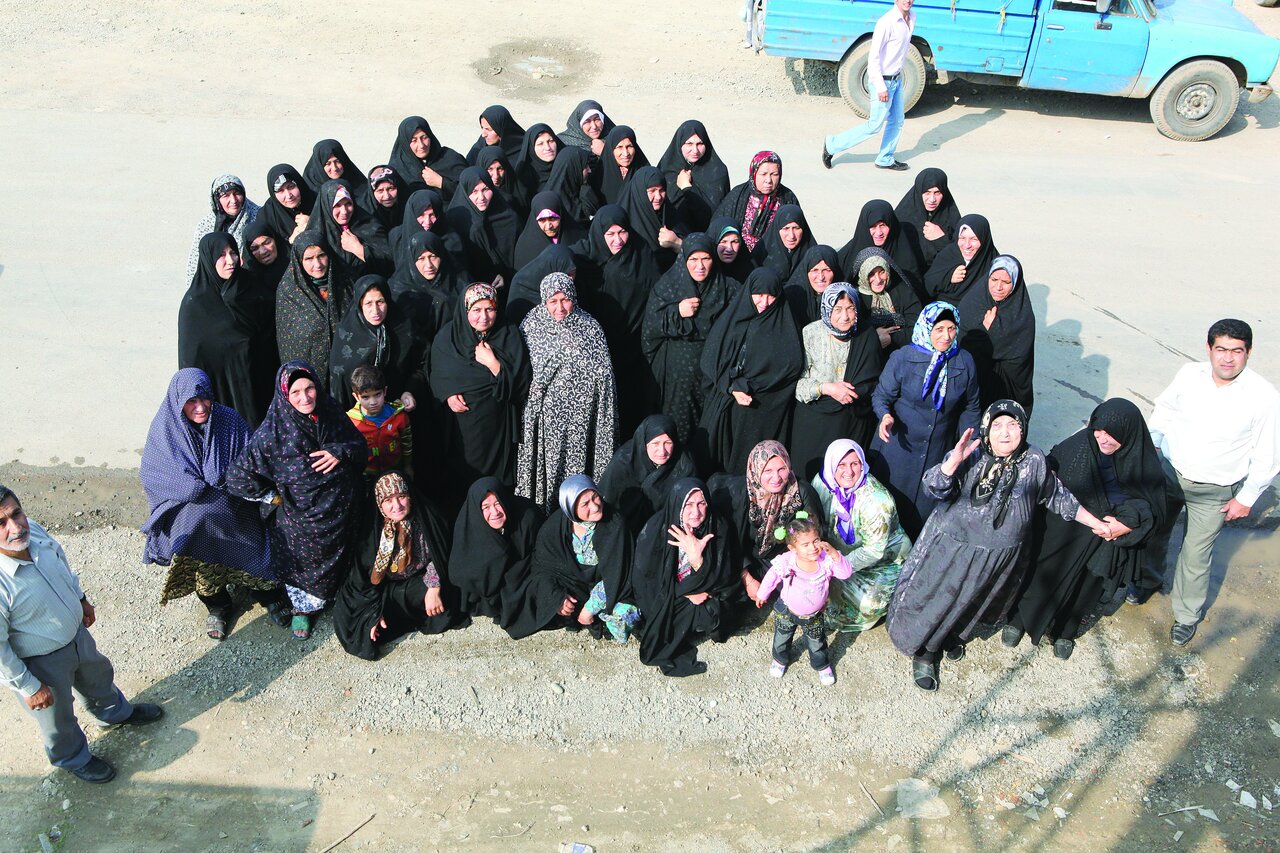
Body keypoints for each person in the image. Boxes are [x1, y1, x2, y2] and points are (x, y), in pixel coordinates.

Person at [886, 401, 1110, 691]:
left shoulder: (1034, 460)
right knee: (938, 599)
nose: (1005, 434)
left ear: (1023, 428)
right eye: (997, 426)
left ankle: (947, 636)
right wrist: (952, 463)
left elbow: (1059, 497)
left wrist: (1096, 523)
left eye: (1013, 425)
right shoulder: (971, 453)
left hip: (997, 557)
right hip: (953, 550)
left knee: (970, 602)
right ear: (987, 429)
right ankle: (925, 651)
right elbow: (934, 488)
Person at [2, 485, 165, 784]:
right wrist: (29, 686)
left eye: (16, 514)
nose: (15, 527)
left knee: (99, 678)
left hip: (75, 635)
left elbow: (61, 562)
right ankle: (72, 758)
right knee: (57, 717)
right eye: (1, 523)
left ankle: (115, 714)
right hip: (39, 662)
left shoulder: (33, 532)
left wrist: (80, 598)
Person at [1142, 319, 1280, 646]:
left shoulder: (1263, 396)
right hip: (1170, 473)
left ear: (1248, 353)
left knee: (1196, 554)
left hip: (1214, 492)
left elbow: (1268, 455)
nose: (1228, 358)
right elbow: (1165, 409)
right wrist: (1154, 445)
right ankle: (1147, 581)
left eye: (1237, 351)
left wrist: (1245, 498)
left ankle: (1187, 615)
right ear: (1209, 349)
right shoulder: (1190, 374)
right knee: (1155, 532)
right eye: (1221, 349)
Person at [1006, 399, 1166, 659]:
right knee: (1040, 572)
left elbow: (1152, 507)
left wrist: (1125, 525)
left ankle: (1065, 631)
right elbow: (1047, 470)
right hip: (1063, 531)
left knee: (1085, 588)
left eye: (1111, 433)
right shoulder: (1080, 445)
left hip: (1103, 542)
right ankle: (1020, 620)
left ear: (1128, 433)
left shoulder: (1142, 463)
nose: (1102, 438)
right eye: (1098, 430)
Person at [140, 369, 289, 642]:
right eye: (191, 402)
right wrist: (192, 488)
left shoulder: (228, 420)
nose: (200, 408)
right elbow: (154, 475)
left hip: (236, 510)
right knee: (204, 569)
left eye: (204, 399)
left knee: (257, 557)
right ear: (177, 402)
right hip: (195, 520)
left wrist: (240, 481)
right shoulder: (165, 430)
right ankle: (218, 606)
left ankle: (267, 595)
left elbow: (251, 460)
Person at [226, 361, 366, 640]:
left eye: (310, 388)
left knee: (348, 559)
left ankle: (339, 593)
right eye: (296, 392)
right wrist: (273, 497)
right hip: (303, 519)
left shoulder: (331, 412)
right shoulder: (272, 435)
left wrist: (339, 451)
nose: (305, 397)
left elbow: (359, 447)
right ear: (284, 396)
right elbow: (237, 477)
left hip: (344, 512)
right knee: (306, 563)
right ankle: (303, 609)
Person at [870, 301, 981, 537]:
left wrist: (969, 443)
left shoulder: (964, 361)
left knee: (921, 516)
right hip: (898, 450)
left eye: (951, 329)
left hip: (936, 453)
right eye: (939, 329)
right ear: (926, 327)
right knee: (886, 513)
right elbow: (881, 395)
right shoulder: (903, 358)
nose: (946, 336)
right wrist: (885, 416)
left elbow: (971, 406)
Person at [333, 472, 467, 660]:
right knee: (351, 616)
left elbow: (443, 555)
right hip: (385, 588)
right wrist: (372, 612)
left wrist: (434, 587)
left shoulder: (427, 518)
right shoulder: (373, 529)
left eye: (402, 497)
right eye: (388, 500)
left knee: (448, 596)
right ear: (380, 503)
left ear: (410, 496)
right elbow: (362, 578)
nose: (397, 506)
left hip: (419, 582)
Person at [516, 272, 618, 511]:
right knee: (551, 468)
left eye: (565, 300)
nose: (560, 307)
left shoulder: (589, 326)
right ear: (544, 301)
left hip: (582, 419)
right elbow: (521, 370)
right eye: (553, 301)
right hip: (547, 419)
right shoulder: (532, 325)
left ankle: (580, 510)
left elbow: (605, 374)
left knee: (578, 468)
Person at [696, 267, 804, 475]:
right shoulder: (733, 320)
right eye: (759, 295)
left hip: (763, 412)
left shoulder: (784, 326)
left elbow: (790, 366)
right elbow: (711, 359)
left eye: (770, 295)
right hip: (728, 407)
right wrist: (731, 386)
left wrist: (752, 385)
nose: (764, 302)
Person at [506, 475, 639, 642]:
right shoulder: (555, 527)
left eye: (595, 497)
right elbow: (544, 566)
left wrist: (590, 608)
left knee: (624, 614)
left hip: (611, 586)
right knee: (537, 596)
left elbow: (617, 573)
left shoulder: (615, 525)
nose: (595, 506)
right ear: (570, 510)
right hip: (577, 584)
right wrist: (556, 597)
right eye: (585, 504)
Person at [430, 282, 532, 497]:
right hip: (464, 430)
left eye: (490, 309)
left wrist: (493, 364)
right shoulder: (447, 338)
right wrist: (447, 393)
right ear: (465, 310)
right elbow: (438, 375)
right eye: (476, 310)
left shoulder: (508, 334)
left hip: (498, 428)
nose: (483, 317)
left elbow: (521, 384)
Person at [570, 204, 662, 434]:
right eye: (609, 234)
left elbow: (656, 295)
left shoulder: (641, 255)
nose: (617, 240)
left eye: (622, 232)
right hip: (597, 350)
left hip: (635, 350)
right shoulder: (583, 260)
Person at [634, 478, 738, 676]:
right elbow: (646, 581)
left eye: (701, 504)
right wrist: (685, 592)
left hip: (703, 593)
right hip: (668, 596)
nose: (696, 512)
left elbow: (725, 577)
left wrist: (697, 559)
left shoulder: (718, 526)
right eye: (688, 505)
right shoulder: (656, 530)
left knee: (712, 612)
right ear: (677, 504)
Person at [641, 233, 733, 446]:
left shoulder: (729, 290)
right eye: (693, 259)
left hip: (715, 378)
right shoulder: (667, 287)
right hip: (678, 382)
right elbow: (649, 330)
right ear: (684, 260)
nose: (699, 266)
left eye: (705, 258)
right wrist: (676, 312)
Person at [811, 439, 911, 634]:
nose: (849, 472)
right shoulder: (822, 481)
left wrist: (836, 566)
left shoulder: (877, 502)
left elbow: (873, 551)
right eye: (841, 464)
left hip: (881, 561)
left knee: (869, 603)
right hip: (836, 553)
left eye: (855, 464)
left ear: (862, 464)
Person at [791, 281, 887, 481]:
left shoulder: (866, 335)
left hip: (852, 422)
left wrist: (855, 392)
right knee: (811, 481)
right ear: (827, 309)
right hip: (815, 422)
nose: (845, 316)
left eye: (850, 308)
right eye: (837, 309)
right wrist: (826, 388)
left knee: (846, 479)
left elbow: (874, 382)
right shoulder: (810, 333)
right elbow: (796, 384)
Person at [709, 440, 825, 604]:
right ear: (755, 470)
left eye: (782, 469)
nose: (776, 478)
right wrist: (747, 579)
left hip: (780, 557)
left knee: (800, 594)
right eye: (767, 470)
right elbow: (728, 542)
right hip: (741, 558)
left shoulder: (801, 492)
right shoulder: (740, 495)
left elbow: (814, 534)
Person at [178, 232, 274, 426]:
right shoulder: (195, 305)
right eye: (221, 255)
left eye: (233, 252)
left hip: (257, 388)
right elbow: (190, 362)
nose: (230, 260)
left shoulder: (251, 287)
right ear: (208, 259)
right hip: (221, 392)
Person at [753, 515, 852, 686]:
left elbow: (845, 574)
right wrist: (762, 593)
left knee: (817, 642)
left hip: (813, 615)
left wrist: (835, 554)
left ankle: (821, 665)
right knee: (782, 638)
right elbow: (772, 576)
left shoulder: (827, 561)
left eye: (816, 541)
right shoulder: (786, 561)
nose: (813, 547)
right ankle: (780, 660)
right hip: (786, 609)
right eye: (805, 545)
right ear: (792, 548)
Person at [821, 0, 915, 171]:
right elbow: (874, 57)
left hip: (896, 79)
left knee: (897, 120)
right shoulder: (886, 22)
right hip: (883, 80)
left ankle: (885, 158)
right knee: (874, 125)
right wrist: (880, 86)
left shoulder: (911, 18)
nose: (908, 0)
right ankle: (832, 144)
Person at [450, 477, 545, 626]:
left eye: (498, 503)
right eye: (486, 507)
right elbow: (461, 570)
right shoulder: (469, 524)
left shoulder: (528, 517)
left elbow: (541, 557)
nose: (494, 512)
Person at [328, 274, 428, 409]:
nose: (375, 310)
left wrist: (410, 391)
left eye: (380, 302)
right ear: (360, 304)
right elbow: (339, 382)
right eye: (368, 303)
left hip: (398, 410)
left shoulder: (404, 330)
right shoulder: (346, 335)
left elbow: (420, 364)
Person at [958, 255, 1036, 416]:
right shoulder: (974, 301)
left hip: (1005, 388)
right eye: (994, 280)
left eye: (1006, 282)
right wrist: (983, 330)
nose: (998, 287)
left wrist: (991, 331)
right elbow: (960, 343)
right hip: (972, 383)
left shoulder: (1022, 314)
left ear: (1015, 283)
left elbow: (1019, 361)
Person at [275, 232, 353, 385]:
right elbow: (289, 344)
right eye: (309, 258)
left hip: (347, 371)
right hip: (312, 376)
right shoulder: (289, 291)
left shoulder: (345, 281)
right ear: (298, 260)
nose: (317, 264)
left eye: (321, 255)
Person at [599, 414, 698, 535]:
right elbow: (609, 502)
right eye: (655, 444)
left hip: (665, 530)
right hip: (624, 531)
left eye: (668, 443)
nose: (662, 451)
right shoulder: (624, 462)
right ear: (643, 442)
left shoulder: (684, 463)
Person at [712, 151, 801, 253]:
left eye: (774, 174)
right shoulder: (738, 195)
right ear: (754, 173)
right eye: (763, 174)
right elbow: (718, 227)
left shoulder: (788, 198)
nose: (768, 180)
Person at [446, 167, 521, 286]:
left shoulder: (509, 217)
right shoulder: (455, 221)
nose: (481, 197)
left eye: (485, 189)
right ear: (465, 192)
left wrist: (506, 276)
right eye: (474, 191)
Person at [836, 199, 924, 296]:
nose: (879, 233)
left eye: (883, 225)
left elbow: (915, 289)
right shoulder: (849, 253)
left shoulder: (904, 252)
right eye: (873, 226)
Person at [306, 179, 393, 277]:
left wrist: (359, 249)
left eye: (348, 204)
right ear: (327, 206)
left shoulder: (369, 226)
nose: (344, 211)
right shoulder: (316, 234)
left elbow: (390, 264)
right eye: (337, 205)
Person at [656, 119, 730, 233]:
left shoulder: (718, 171)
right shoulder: (666, 170)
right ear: (680, 144)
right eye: (689, 143)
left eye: (700, 144)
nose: (695, 150)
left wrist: (687, 187)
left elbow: (716, 213)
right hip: (670, 236)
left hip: (706, 237)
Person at [345, 364, 414, 483]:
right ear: (356, 397)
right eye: (366, 397)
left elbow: (407, 444)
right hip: (365, 475)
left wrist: (408, 466)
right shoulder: (351, 421)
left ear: (385, 391)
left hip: (394, 470)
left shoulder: (399, 416)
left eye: (377, 395)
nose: (373, 402)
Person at [185, 174, 260, 282]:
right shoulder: (207, 225)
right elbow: (196, 264)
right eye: (226, 196)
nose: (233, 200)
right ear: (216, 199)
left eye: (237, 193)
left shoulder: (258, 216)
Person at [852, 246, 921, 352]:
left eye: (882, 272)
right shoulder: (854, 297)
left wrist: (891, 338)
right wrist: (874, 335)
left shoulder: (902, 290)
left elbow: (919, 326)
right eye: (871, 274)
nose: (878, 279)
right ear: (862, 274)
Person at [894, 167, 961, 269]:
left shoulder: (951, 216)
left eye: (937, 192)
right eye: (927, 192)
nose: (932, 199)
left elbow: (960, 257)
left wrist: (941, 239)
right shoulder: (903, 217)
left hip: (940, 275)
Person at [387, 115, 468, 198]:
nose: (421, 145)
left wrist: (441, 183)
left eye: (424, 137)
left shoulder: (449, 158)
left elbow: (471, 191)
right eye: (414, 140)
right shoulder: (398, 169)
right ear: (405, 143)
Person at [923, 213, 998, 302]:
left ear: (984, 240)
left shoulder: (994, 265)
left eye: (974, 239)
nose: (967, 245)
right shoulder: (948, 255)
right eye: (962, 238)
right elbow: (927, 286)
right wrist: (948, 277)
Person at [753, 204, 817, 283]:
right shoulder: (761, 253)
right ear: (777, 229)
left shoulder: (813, 254)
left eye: (796, 228)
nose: (791, 235)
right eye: (786, 228)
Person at [783, 244, 841, 330]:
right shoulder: (790, 299)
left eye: (827, 270)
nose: (821, 277)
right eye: (815, 270)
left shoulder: (844, 298)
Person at [257, 164, 315, 245]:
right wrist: (291, 240)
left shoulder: (318, 201)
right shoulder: (266, 217)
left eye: (291, 187)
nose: (288, 196)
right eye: (280, 191)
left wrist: (314, 222)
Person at [595, 125, 650, 205]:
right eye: (619, 147)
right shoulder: (599, 175)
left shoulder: (645, 174)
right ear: (611, 149)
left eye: (629, 146)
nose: (625, 153)